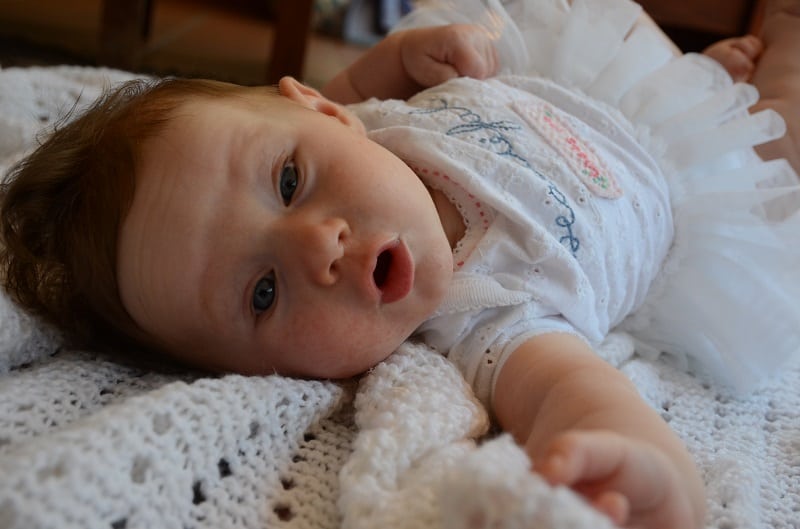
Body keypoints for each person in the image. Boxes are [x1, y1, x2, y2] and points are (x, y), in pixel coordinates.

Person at [2, 0, 800, 527]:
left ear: (321, 113)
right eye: (263, 292)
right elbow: (579, 399)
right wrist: (647, 474)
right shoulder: (493, 318)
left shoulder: (365, 120)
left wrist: (406, 53)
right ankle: (763, 67)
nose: (317, 243)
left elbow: (351, 83)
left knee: (646, 42)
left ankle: (708, 76)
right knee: (780, 141)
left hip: (584, 84)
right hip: (688, 188)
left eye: (288, 180)